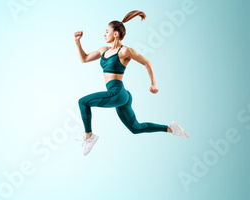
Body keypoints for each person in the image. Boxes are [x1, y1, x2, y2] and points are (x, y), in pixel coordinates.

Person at [74, 10, 188, 156]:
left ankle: (89, 136)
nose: (104, 34)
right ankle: (171, 128)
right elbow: (84, 59)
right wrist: (77, 42)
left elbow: (147, 62)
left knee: (83, 102)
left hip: (116, 92)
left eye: (107, 31)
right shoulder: (104, 50)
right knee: (135, 128)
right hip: (122, 95)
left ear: (115, 34)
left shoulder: (124, 51)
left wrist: (154, 84)